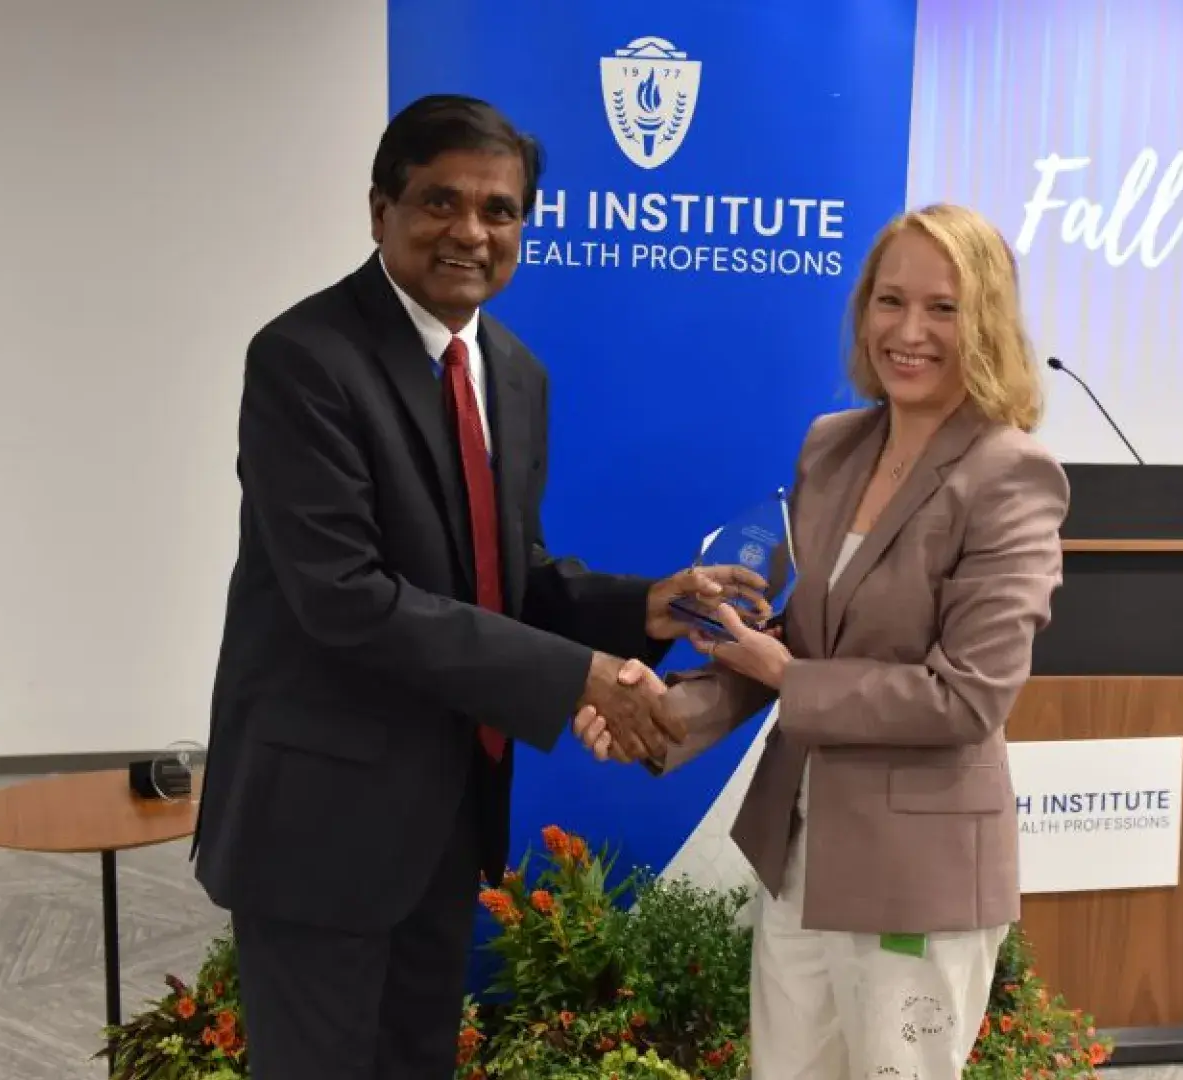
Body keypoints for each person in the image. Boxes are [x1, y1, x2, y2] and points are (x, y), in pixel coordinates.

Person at [192, 94, 761, 1080]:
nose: (470, 232)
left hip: (446, 820)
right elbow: (347, 600)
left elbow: (505, 580)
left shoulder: (513, 371)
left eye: (499, 211)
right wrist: (584, 676)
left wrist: (642, 607)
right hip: (319, 829)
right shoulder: (303, 362)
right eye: (439, 202)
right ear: (381, 210)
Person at [578, 202, 1070, 1080]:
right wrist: (663, 715)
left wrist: (789, 674)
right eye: (889, 301)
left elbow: (968, 696)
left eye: (942, 308)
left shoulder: (1010, 473)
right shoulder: (832, 448)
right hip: (799, 854)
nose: (908, 331)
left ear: (987, 320)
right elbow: (786, 646)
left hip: (915, 875)